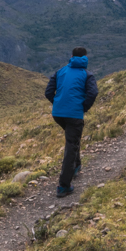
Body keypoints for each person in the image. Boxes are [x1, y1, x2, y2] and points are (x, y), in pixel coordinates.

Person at [45, 46, 100, 198]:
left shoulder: (60, 71)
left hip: (58, 114)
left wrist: (57, 104)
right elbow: (93, 92)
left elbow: (48, 92)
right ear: (86, 58)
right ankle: (64, 186)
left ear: (71, 56)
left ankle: (76, 165)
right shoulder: (87, 74)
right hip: (74, 114)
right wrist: (83, 108)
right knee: (71, 145)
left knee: (72, 139)